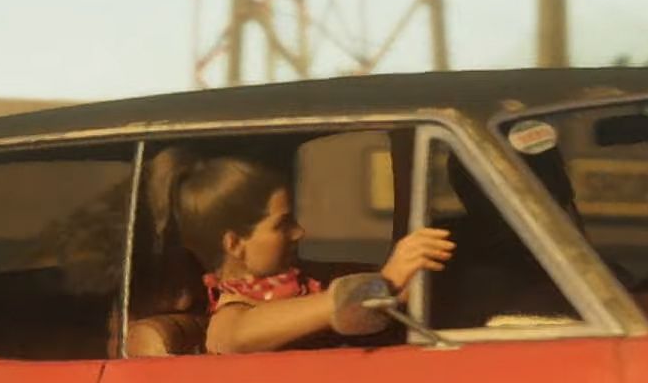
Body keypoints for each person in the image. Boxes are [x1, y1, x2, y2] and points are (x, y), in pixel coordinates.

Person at [167, 152, 453, 356]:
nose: (298, 233)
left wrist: (404, 286)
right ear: (234, 244)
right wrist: (382, 283)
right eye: (282, 225)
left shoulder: (306, 283)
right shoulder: (232, 309)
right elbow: (232, 337)